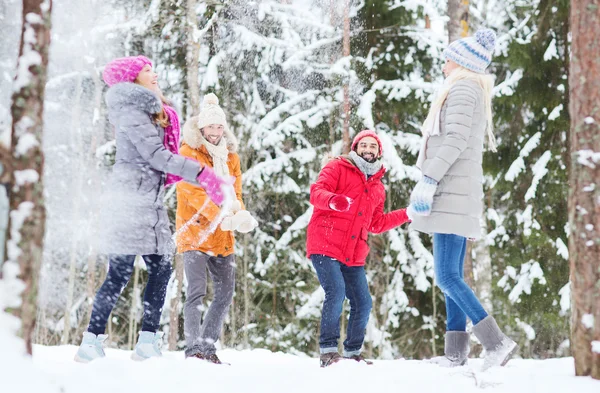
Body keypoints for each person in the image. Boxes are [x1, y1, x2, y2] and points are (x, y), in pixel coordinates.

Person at [75, 56, 229, 363]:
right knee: (121, 273)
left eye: (152, 68)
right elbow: (156, 155)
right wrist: (201, 173)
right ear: (133, 80)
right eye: (146, 70)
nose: (154, 73)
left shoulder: (151, 112)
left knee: (160, 267)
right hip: (129, 201)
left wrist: (204, 178)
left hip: (148, 201)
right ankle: (92, 342)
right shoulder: (131, 111)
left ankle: (144, 341)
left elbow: (162, 161)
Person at [408, 29, 518, 370]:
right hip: (453, 193)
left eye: (448, 57)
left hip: (451, 191)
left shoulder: (464, 88)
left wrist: (430, 177)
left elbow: (454, 139)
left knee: (446, 276)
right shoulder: (463, 88)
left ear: (463, 63)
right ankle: (455, 353)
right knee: (450, 273)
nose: (444, 63)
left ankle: (496, 343)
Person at [306, 130, 410, 367]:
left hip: (353, 253)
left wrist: (406, 214)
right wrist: (333, 200)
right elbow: (316, 192)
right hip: (326, 242)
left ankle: (352, 352)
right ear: (355, 148)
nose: (368, 149)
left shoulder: (377, 188)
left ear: (379, 152)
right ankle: (328, 350)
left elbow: (376, 223)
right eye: (363, 145)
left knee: (363, 302)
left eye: (373, 146)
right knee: (337, 292)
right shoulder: (337, 167)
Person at [176, 93, 257, 364]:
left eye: (219, 127)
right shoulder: (188, 152)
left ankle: (208, 347)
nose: (215, 132)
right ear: (201, 128)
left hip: (223, 236)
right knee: (196, 291)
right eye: (211, 127)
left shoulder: (231, 157)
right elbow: (191, 192)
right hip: (196, 234)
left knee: (224, 293)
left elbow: (235, 191)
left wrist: (240, 214)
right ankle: (192, 349)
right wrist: (220, 215)